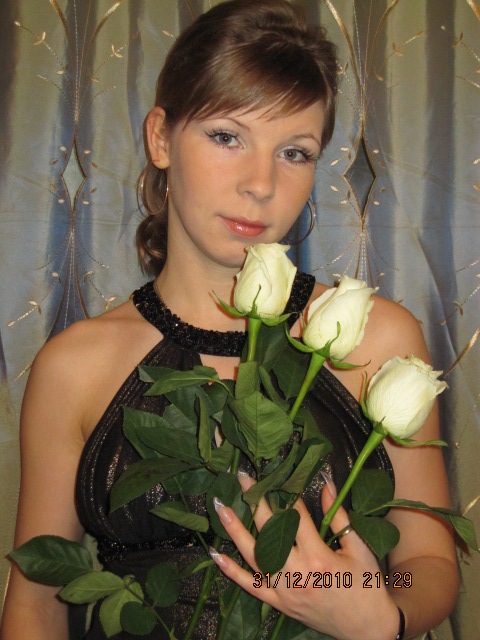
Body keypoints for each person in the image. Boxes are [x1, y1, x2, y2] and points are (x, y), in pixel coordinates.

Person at [1, 1, 459, 638]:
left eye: (294, 152)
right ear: (161, 139)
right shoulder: (75, 366)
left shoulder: (377, 338)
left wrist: (375, 609)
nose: (260, 183)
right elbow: (35, 603)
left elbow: (426, 565)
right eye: (227, 137)